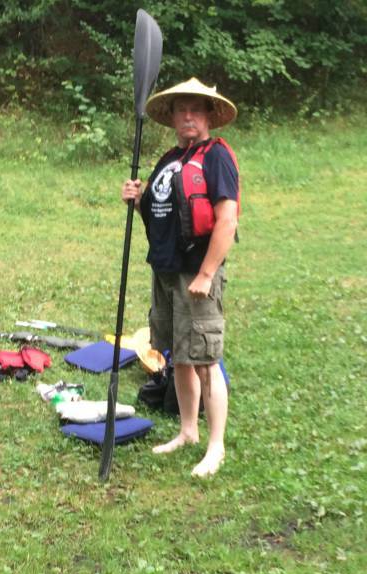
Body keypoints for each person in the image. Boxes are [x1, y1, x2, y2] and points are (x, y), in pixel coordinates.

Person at [120, 78, 239, 478]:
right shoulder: (169, 158)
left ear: (208, 116)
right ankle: (188, 431)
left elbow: (227, 220)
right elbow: (161, 215)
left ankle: (216, 446)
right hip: (166, 270)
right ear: (172, 117)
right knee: (179, 359)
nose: (188, 116)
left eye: (196, 109)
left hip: (196, 272)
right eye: (181, 109)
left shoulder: (216, 156)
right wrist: (138, 200)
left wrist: (206, 273)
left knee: (205, 360)